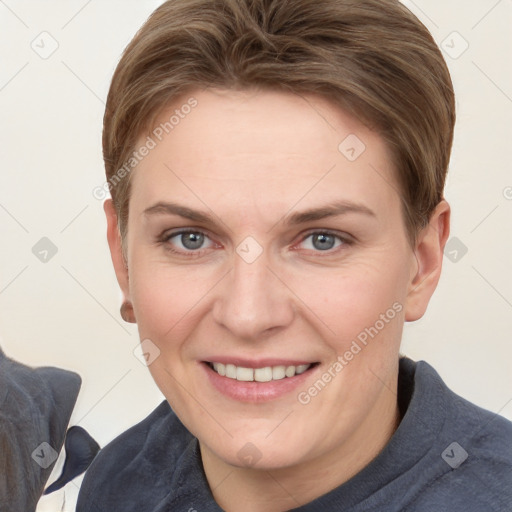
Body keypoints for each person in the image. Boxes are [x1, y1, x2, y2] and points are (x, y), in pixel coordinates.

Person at [76, 0, 512, 510]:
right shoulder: (118, 481)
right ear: (123, 261)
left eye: (322, 239)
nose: (248, 314)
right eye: (190, 238)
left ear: (423, 262)